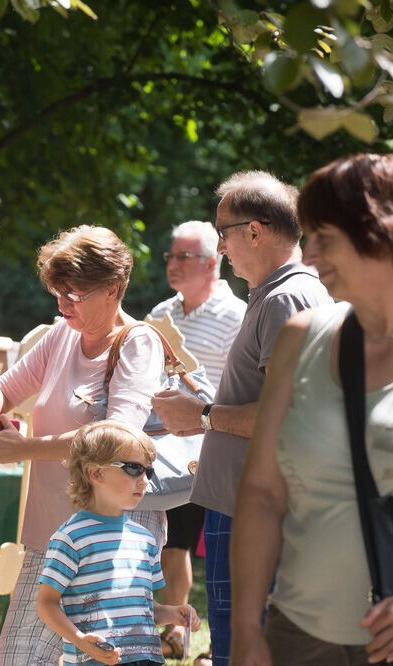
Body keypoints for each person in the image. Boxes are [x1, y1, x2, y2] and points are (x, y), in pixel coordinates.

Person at [230, 153, 393, 666]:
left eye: (324, 238)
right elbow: (261, 495)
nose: (311, 256)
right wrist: (245, 629)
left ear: (381, 233)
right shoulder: (301, 339)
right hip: (299, 639)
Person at [0, 225, 166, 665]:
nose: (63, 304)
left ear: (114, 289)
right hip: (52, 529)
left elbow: (116, 441)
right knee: (19, 657)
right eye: (57, 292)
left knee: (97, 657)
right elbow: (6, 390)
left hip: (109, 538)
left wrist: (23, 448)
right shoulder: (61, 333)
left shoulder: (137, 343)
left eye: (75, 295)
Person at [150, 172, 331, 666]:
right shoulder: (279, 294)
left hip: (257, 511)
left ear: (255, 230)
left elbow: (289, 414)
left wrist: (202, 415)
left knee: (241, 649)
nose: (222, 248)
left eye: (224, 234)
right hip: (252, 506)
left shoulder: (284, 298)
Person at [147, 221, 246, 660]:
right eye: (170, 255)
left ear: (212, 263)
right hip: (171, 447)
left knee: (227, 551)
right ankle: (177, 631)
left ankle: (224, 642)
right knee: (174, 540)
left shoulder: (237, 315)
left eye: (184, 257)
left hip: (222, 446)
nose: (173, 264)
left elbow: (246, 387)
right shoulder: (161, 313)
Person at [38, 421, 201, 666]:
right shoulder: (71, 538)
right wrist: (79, 639)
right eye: (134, 469)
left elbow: (142, 607)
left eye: (149, 472)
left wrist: (172, 613)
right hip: (95, 659)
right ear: (96, 473)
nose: (145, 480)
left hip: (147, 659)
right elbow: (46, 603)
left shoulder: (145, 539)